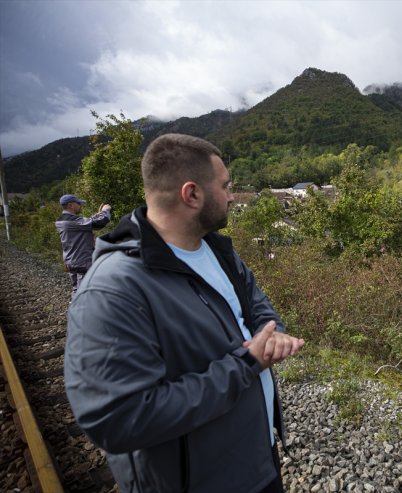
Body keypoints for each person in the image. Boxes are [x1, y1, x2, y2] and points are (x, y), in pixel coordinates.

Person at [64, 134, 305, 493]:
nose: (231, 196)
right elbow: (118, 420)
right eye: (225, 186)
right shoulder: (113, 290)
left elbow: (257, 307)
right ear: (191, 194)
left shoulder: (217, 251)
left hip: (256, 458)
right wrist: (245, 364)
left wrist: (275, 334)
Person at [55, 194, 111, 295]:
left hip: (71, 260)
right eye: (78, 203)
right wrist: (105, 211)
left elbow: (86, 223)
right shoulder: (72, 221)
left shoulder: (62, 219)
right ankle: (81, 309)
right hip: (81, 261)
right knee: (83, 293)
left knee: (76, 290)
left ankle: (74, 308)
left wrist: (97, 215)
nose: (80, 205)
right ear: (71, 205)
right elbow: (100, 223)